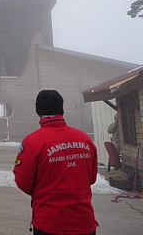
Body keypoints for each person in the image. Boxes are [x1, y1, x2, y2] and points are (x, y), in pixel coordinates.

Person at [14, 90, 98, 235]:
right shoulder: (85, 139)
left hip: (49, 224)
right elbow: (91, 178)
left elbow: (23, 182)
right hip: (84, 223)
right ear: (61, 109)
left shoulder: (32, 142)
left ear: (38, 111)